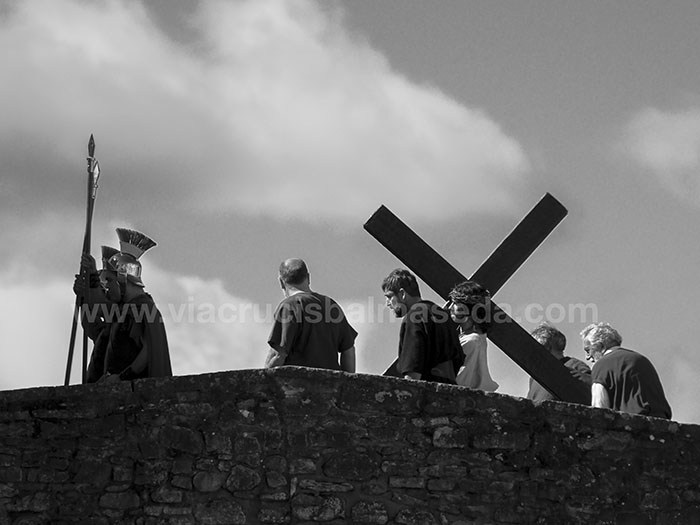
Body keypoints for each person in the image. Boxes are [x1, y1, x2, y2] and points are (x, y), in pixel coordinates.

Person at [75, 228, 172, 382]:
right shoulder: (120, 312)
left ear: (122, 279)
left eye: (109, 281)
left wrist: (122, 378)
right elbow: (94, 316)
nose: (106, 288)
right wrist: (86, 291)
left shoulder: (143, 309)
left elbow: (149, 352)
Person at [266, 258, 357, 372]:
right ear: (308, 278)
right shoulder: (331, 305)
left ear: (281, 282)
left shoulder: (289, 306)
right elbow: (348, 350)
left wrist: (262, 381)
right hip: (331, 386)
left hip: (297, 386)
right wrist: (347, 385)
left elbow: (279, 354)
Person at [382, 268, 463, 384]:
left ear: (402, 294)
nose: (387, 303)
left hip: (427, 394)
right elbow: (458, 358)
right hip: (451, 391)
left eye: (389, 297)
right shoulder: (443, 315)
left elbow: (413, 369)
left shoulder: (414, 316)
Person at [580, 322, 671, 419]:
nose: (587, 357)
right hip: (660, 421)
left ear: (600, 346)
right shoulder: (641, 359)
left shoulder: (601, 365)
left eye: (588, 350)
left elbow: (599, 408)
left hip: (631, 424)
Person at [447, 281, 498, 391]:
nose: (450, 307)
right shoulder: (477, 338)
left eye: (454, 303)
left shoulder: (472, 341)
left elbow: (459, 380)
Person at [526, 323, 591, 402]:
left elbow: (592, 385)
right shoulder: (535, 375)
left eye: (536, 350)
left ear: (546, 347)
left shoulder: (574, 364)